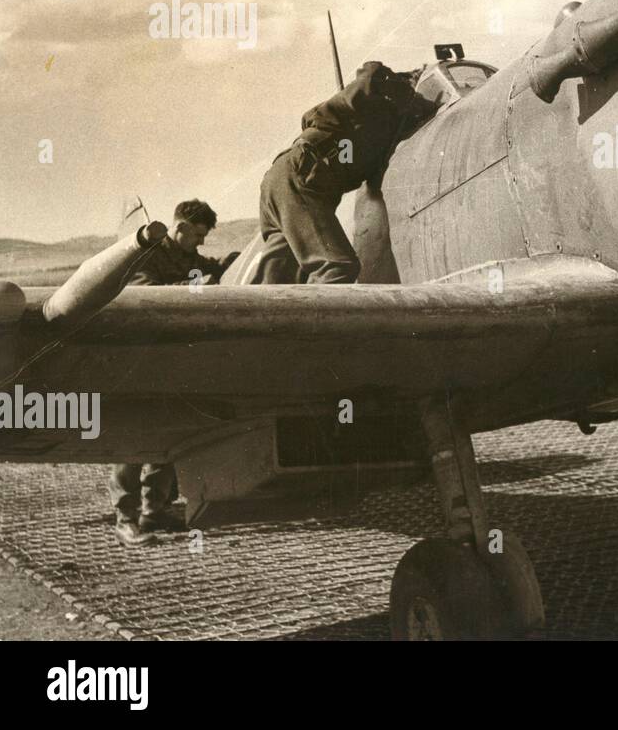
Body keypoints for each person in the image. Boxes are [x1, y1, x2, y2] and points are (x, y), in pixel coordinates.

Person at [112, 198, 236, 547]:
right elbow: (142, 293)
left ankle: (155, 511)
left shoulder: (189, 257)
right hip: (140, 357)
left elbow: (210, 266)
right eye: (197, 235)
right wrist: (195, 287)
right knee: (135, 439)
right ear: (179, 228)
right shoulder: (146, 255)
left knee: (168, 435)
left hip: (174, 361)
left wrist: (232, 264)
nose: (200, 242)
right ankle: (125, 518)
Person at [256, 61, 434, 284]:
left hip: (286, 180)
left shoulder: (386, 135)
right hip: (300, 173)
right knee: (336, 269)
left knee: (273, 287)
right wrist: (414, 98)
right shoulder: (376, 103)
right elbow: (371, 71)